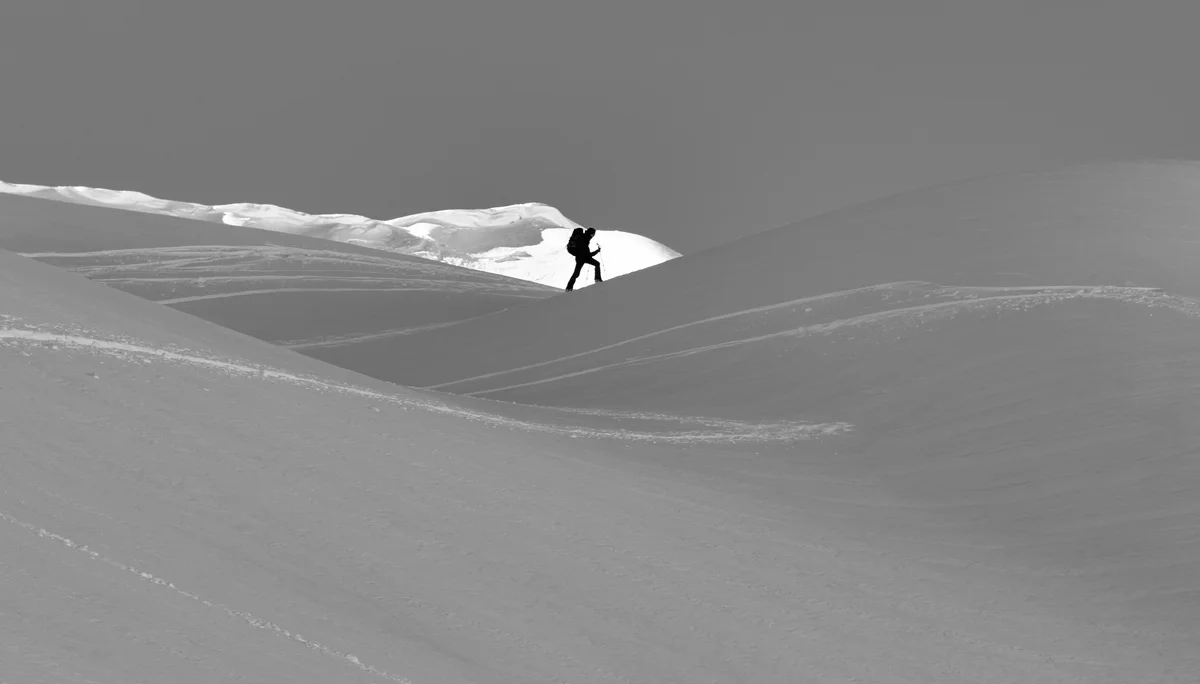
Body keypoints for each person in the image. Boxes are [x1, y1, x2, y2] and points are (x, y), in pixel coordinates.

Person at [565, 227, 602, 291]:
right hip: (581, 258)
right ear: (590, 233)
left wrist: (596, 251)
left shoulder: (586, 238)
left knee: (576, 274)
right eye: (592, 234)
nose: (593, 236)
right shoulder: (584, 239)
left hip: (581, 258)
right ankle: (597, 279)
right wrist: (597, 251)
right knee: (576, 273)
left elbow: (587, 253)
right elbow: (587, 253)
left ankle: (569, 288)